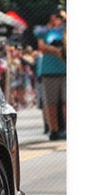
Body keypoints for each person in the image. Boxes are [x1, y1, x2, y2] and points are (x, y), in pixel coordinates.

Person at [36, 10, 67, 140]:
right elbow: (42, 47)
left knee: (66, 102)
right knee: (51, 103)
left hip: (65, 70)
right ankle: (54, 130)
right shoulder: (44, 31)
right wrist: (57, 51)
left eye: (60, 17)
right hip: (49, 71)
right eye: (56, 16)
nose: (57, 19)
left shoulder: (66, 31)